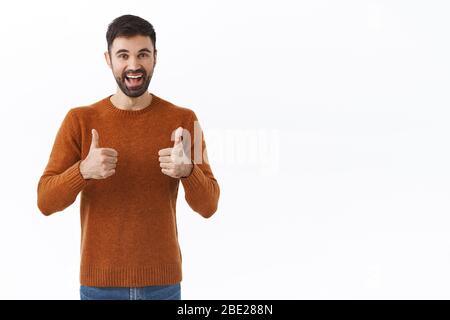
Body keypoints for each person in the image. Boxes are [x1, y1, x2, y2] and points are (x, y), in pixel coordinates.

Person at [37, 14, 220, 300]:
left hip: (164, 286)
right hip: (99, 287)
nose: (133, 65)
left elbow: (209, 206)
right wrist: (82, 171)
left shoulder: (184, 120)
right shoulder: (80, 120)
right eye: (123, 55)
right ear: (108, 59)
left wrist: (189, 172)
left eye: (142, 54)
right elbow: (45, 201)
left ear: (155, 58)